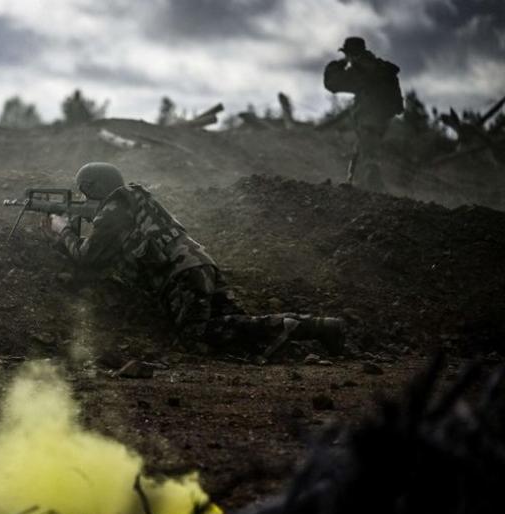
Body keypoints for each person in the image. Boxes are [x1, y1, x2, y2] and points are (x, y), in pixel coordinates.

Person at [41, 162, 345, 360]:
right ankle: (317, 328)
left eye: (85, 193)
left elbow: (86, 257)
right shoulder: (136, 201)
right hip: (199, 264)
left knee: (197, 335)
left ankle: (299, 328)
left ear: (93, 188)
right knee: (232, 323)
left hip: (182, 276)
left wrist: (63, 228)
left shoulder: (112, 212)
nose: (84, 200)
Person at [324, 36, 404, 191]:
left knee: (369, 158)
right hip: (383, 119)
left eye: (346, 54)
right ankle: (355, 185)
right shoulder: (380, 67)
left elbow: (332, 83)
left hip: (369, 119)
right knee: (362, 151)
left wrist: (340, 64)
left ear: (351, 54)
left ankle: (376, 194)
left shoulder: (362, 70)